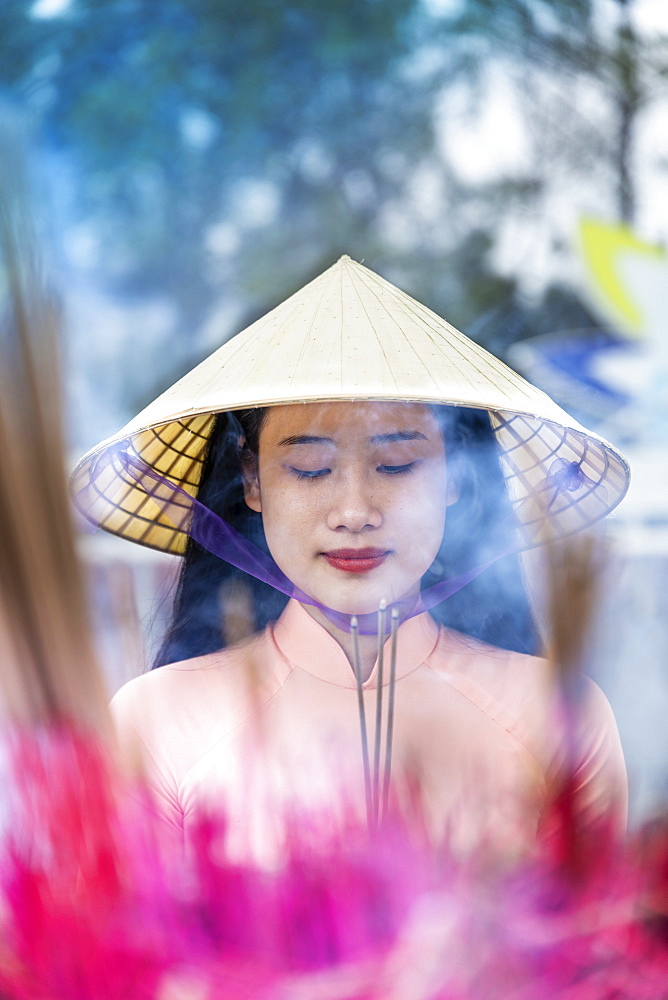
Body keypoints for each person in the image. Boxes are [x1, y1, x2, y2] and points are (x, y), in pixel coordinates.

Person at [73, 256, 629, 861]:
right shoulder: (155, 719)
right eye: (309, 469)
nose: (355, 511)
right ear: (251, 478)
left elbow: (601, 947)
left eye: (396, 465)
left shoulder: (557, 714)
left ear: (455, 479)